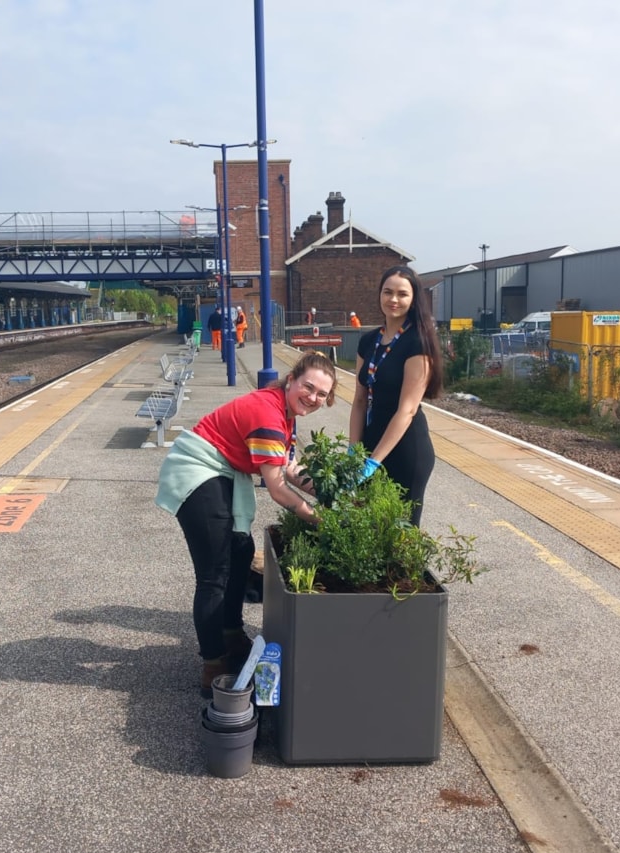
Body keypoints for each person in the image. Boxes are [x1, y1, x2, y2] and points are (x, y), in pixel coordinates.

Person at [155, 352, 337, 697]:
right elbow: (279, 489)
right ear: (292, 380)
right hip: (197, 469)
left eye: (321, 395)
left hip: (223, 470)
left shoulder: (285, 411)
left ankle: (230, 633)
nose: (313, 398)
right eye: (308, 387)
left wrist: (330, 490)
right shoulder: (269, 413)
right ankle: (213, 664)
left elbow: (290, 467)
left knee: (241, 552)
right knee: (214, 574)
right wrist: (318, 518)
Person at [348, 265, 443, 527]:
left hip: (405, 450)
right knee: (367, 527)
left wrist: (373, 462)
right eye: (387, 292)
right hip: (371, 443)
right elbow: (358, 399)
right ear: (379, 295)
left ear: (413, 300)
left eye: (402, 294)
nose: (394, 299)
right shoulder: (368, 341)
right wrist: (354, 451)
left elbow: (407, 410)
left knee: (400, 534)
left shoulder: (418, 342)